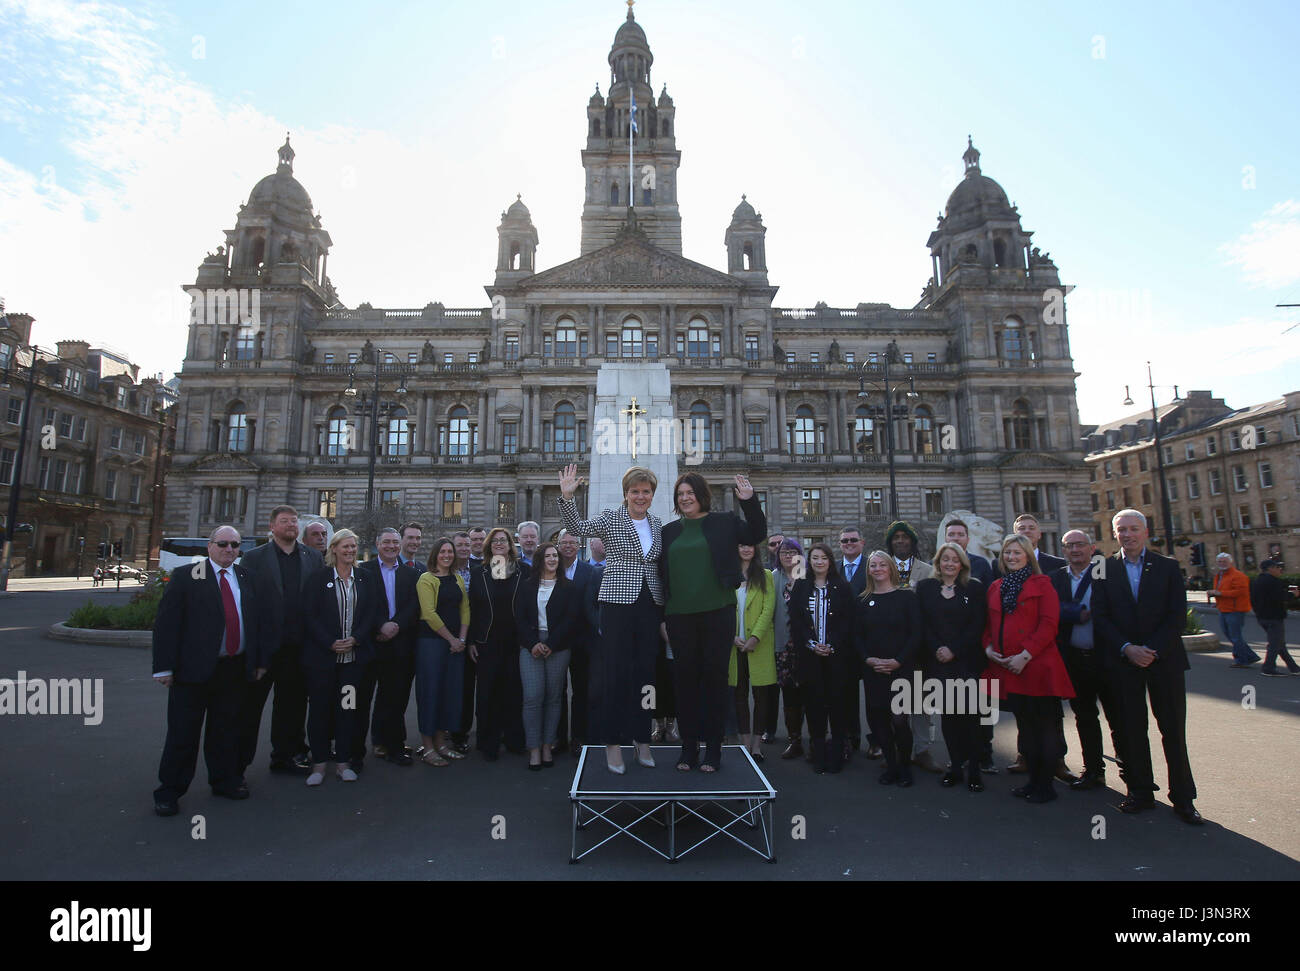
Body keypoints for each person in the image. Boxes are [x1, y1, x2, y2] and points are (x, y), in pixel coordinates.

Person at [1090, 509, 1203, 824]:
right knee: (1131, 730)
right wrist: (1127, 648)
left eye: (1133, 528)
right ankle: (1139, 792)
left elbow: (1176, 615)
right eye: (1121, 529)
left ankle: (1183, 798)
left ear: (1145, 530)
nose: (1127, 534)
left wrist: (1150, 650)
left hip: (1163, 659)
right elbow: (1100, 617)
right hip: (1123, 661)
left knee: (1172, 732)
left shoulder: (1167, 566)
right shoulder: (1103, 568)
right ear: (1114, 534)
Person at [152, 526, 269, 817]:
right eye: (223, 544)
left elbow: (256, 624)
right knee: (183, 734)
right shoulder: (186, 576)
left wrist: (257, 661)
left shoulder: (247, 578)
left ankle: (224, 780)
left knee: (226, 730)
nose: (229, 549)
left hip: (234, 668)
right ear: (209, 546)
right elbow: (167, 625)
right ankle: (170, 791)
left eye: (235, 545)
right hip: (193, 670)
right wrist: (164, 668)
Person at [558, 464, 663, 774]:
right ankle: (613, 743)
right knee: (614, 674)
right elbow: (577, 527)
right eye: (635, 491)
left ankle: (642, 738)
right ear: (626, 494)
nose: (640, 496)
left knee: (646, 675)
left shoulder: (657, 523)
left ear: (652, 495)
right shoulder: (611, 518)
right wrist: (567, 496)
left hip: (649, 603)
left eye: (646, 491)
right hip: (617, 601)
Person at [659, 471, 766, 773]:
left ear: (701, 494)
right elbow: (659, 575)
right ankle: (689, 749)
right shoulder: (668, 531)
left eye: (690, 492)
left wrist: (750, 502)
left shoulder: (725, 522)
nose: (685, 497)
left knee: (715, 682)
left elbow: (756, 534)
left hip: (717, 613)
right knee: (686, 684)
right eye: (680, 493)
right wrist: (662, 618)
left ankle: (714, 750)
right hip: (679, 617)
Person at [984, 533, 1073, 804]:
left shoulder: (1043, 583)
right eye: (1007, 553)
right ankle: (1033, 780)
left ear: (1028, 556)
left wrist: (1026, 654)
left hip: (1037, 666)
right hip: (1008, 667)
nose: (1011, 557)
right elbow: (989, 625)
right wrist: (988, 648)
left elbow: (1049, 624)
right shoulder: (996, 586)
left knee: (1044, 727)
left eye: (1017, 553)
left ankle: (1046, 785)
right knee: (1026, 728)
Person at [236, 505, 323, 777]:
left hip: (298, 646)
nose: (291, 526)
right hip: (264, 648)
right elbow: (246, 605)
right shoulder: (253, 558)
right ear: (272, 526)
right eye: (284, 521)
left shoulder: (312, 557)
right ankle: (237, 765)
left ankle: (284, 756)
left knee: (292, 706)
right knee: (250, 709)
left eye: (294, 522)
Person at [1050, 529, 1125, 791]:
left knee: (1119, 717)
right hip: (1074, 658)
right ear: (1063, 551)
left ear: (1091, 548)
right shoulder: (1056, 577)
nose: (1075, 550)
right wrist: (1075, 613)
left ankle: (1131, 773)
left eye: (1080, 545)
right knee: (1084, 717)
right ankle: (1093, 770)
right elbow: (1050, 610)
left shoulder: (1105, 572)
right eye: (1069, 545)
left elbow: (1119, 607)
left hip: (1106, 657)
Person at [302, 528, 378, 785]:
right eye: (345, 547)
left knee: (348, 711)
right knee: (320, 711)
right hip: (323, 659)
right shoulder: (317, 578)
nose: (350, 551)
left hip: (353, 662)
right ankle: (319, 764)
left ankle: (343, 762)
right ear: (333, 549)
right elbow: (309, 616)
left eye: (353, 547)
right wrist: (329, 642)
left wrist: (356, 638)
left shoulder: (365, 578)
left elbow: (371, 613)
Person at [916, 542, 987, 791]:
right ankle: (955, 767)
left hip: (966, 661)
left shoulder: (974, 588)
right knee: (949, 718)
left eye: (954, 560)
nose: (949, 564)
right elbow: (923, 624)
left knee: (971, 718)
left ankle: (975, 770)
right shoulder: (926, 587)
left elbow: (977, 625)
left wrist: (954, 650)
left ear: (962, 564)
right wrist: (938, 648)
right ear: (938, 562)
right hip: (938, 662)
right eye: (945, 559)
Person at [857, 551, 923, 786]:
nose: (877, 568)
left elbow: (916, 634)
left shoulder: (907, 597)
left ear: (891, 568)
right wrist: (868, 659)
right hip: (874, 670)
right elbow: (857, 636)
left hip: (901, 668)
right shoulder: (862, 600)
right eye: (873, 565)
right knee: (879, 720)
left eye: (882, 564)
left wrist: (899, 661)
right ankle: (891, 765)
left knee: (899, 720)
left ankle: (905, 766)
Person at [788, 543, 856, 774]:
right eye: (815, 558)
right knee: (815, 706)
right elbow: (796, 622)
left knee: (837, 706)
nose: (819, 562)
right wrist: (813, 645)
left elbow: (847, 622)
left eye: (823, 558)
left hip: (836, 657)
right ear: (809, 561)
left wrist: (832, 645)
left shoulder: (842, 587)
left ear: (830, 561)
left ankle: (836, 753)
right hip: (810, 657)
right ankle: (818, 753)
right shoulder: (801, 586)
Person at [356, 527, 421, 768]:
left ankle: (393, 745)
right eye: (387, 542)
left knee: (394, 698)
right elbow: (363, 605)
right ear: (377, 544)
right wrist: (380, 626)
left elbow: (413, 606)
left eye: (395, 542)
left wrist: (395, 625)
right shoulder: (363, 571)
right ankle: (359, 748)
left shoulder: (410, 573)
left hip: (399, 643)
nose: (392, 546)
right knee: (362, 699)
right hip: (372, 643)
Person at [515, 541, 580, 770]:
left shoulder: (569, 587)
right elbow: (519, 618)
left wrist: (551, 643)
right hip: (530, 646)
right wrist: (533, 643)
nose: (552, 559)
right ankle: (533, 748)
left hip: (558, 647)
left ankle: (547, 746)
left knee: (553, 698)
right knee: (533, 697)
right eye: (548, 556)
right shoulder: (526, 586)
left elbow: (571, 619)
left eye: (555, 556)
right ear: (540, 560)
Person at [467, 527, 529, 761]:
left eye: (504, 540)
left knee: (514, 692)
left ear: (511, 544)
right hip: (487, 641)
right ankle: (488, 742)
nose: (500, 544)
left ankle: (514, 739)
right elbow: (472, 607)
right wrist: (472, 639)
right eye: (495, 541)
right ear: (489, 546)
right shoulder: (478, 572)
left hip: (515, 641)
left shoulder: (524, 571)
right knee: (487, 694)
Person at [884, 520, 940, 773]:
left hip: (918, 649)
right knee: (892, 701)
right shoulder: (881, 570)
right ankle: (895, 746)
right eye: (895, 538)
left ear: (912, 542)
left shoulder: (928, 571)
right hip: (889, 648)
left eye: (904, 538)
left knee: (920, 701)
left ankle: (922, 749)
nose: (900, 542)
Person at [414, 537, 470, 766]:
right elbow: (428, 613)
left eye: (450, 551)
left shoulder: (456, 577)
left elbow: (465, 608)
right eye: (442, 551)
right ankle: (428, 747)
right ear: (435, 554)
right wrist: (451, 639)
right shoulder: (425, 579)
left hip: (456, 645)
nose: (446, 555)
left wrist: (462, 639)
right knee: (430, 693)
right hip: (432, 644)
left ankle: (441, 743)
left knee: (448, 694)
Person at [731, 543, 776, 762]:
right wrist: (732, 636)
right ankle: (745, 742)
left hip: (758, 645)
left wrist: (755, 637)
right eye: (742, 545)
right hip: (734, 645)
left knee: (761, 696)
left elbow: (769, 608)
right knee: (739, 696)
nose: (746, 549)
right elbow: (722, 606)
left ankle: (757, 746)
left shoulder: (765, 575)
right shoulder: (727, 574)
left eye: (750, 545)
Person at [556, 530, 600, 753]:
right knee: (557, 692)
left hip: (583, 642)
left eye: (572, 542)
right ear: (558, 544)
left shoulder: (589, 571)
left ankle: (579, 737)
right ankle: (557, 738)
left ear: (579, 545)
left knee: (582, 692)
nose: (568, 546)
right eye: (564, 542)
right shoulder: (548, 570)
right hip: (556, 641)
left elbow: (593, 605)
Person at [837, 525, 872, 760]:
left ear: (862, 542)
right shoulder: (835, 568)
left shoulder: (873, 566)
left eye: (853, 540)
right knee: (846, 694)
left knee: (874, 695)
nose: (849, 544)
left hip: (870, 639)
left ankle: (878, 740)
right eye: (844, 541)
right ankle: (851, 737)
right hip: (843, 643)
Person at [452, 527, 486, 753]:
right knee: (461, 690)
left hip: (479, 638)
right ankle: (459, 733)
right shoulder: (444, 570)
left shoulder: (483, 568)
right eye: (462, 544)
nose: (467, 547)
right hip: (454, 637)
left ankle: (485, 732)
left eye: (472, 543)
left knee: (484, 689)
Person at [773, 539, 806, 759]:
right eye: (784, 552)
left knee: (809, 694)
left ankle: (816, 737)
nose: (788, 555)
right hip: (782, 644)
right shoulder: (772, 577)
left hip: (805, 646)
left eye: (792, 552)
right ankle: (794, 739)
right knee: (789, 695)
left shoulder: (807, 577)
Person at [1209, 553, 1257, 668]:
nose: (1222, 564)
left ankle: (1242, 659)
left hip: (1235, 609)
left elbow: (1240, 592)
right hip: (1224, 608)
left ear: (1231, 562)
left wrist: (1220, 594)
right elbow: (1222, 590)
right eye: (1220, 561)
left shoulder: (1238, 576)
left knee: (1235, 636)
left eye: (1224, 561)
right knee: (1230, 635)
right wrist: (1218, 601)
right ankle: (1248, 656)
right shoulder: (1219, 576)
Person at [1253, 559, 1298, 676]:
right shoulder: (1273, 581)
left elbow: (1253, 599)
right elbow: (1280, 597)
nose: (1280, 569)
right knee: (1275, 643)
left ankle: (1294, 668)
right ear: (1270, 569)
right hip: (1274, 616)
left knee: (1279, 643)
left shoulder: (1257, 581)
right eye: (1277, 567)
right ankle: (1268, 667)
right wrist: (1293, 594)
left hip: (1262, 616)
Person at [944, 518, 994, 586]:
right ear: (945, 539)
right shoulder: (934, 564)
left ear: (968, 540)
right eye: (951, 534)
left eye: (961, 535)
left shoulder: (981, 564)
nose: (956, 538)